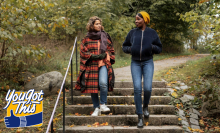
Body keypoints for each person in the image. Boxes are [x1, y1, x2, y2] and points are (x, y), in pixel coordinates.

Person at [122, 11, 162, 128]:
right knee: (137, 89)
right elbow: (124, 46)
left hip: (148, 62)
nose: (136, 21)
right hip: (135, 62)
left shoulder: (152, 33)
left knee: (148, 88)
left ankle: (145, 106)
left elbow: (159, 48)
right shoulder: (132, 33)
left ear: (144, 19)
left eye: (138, 19)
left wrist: (151, 47)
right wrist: (131, 49)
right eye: (135, 19)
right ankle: (140, 117)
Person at [75, 16, 115, 116]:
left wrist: (106, 55)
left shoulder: (105, 36)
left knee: (103, 83)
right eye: (97, 24)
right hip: (91, 65)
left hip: (102, 64)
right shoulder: (86, 39)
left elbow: (111, 50)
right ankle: (96, 108)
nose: (99, 25)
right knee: (93, 87)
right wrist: (92, 56)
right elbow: (83, 51)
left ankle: (103, 104)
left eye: (99, 23)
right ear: (91, 25)